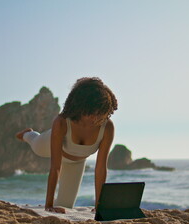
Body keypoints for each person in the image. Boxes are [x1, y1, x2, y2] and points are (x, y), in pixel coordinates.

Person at [16, 77, 118, 214]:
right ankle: (27, 134)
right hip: (48, 145)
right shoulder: (62, 122)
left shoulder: (107, 126)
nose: (96, 118)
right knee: (36, 144)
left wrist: (100, 205)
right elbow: (55, 166)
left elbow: (100, 168)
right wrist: (49, 205)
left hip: (77, 162)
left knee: (65, 206)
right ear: (81, 107)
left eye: (101, 113)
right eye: (92, 113)